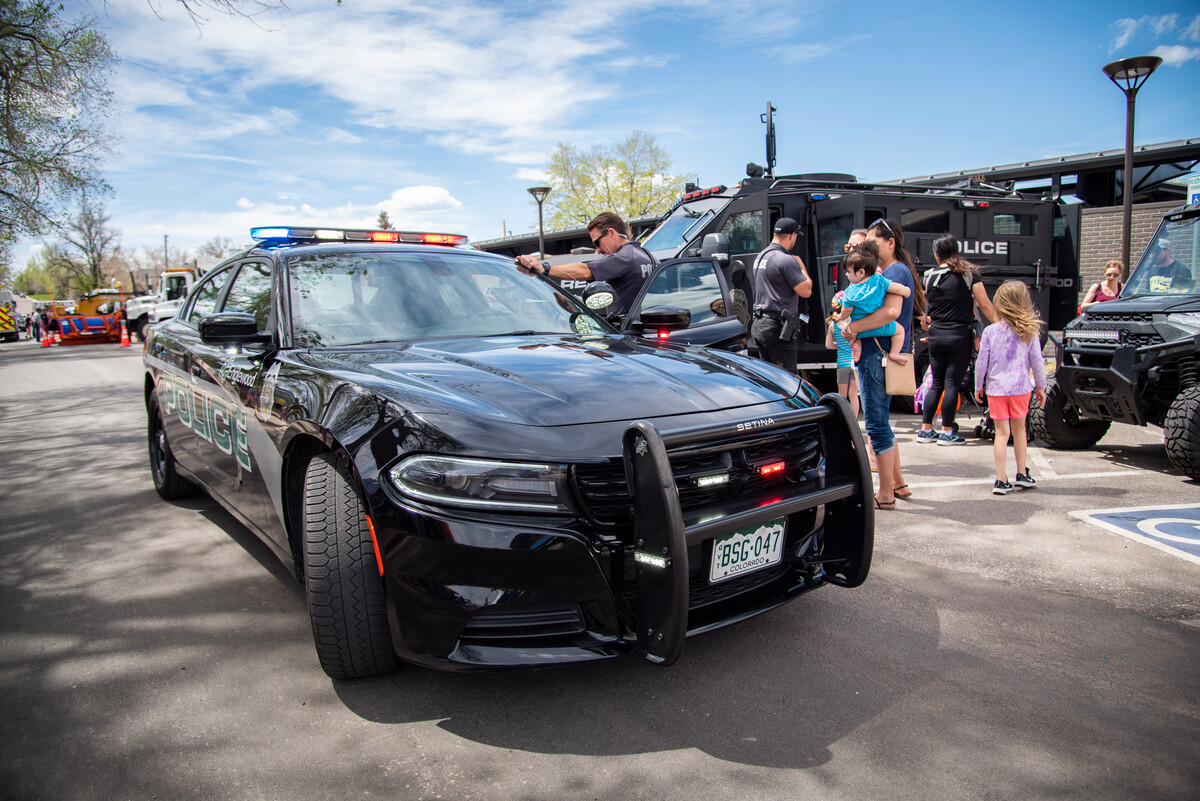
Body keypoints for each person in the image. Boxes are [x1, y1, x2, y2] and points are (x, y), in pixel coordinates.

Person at [839, 219, 924, 507]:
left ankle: (886, 494)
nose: (867, 250)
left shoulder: (894, 271)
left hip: (878, 352)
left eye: (872, 245)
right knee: (881, 422)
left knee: (876, 425)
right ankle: (897, 485)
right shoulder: (891, 270)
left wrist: (854, 328)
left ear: (891, 242)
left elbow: (890, 312)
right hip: (881, 351)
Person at [915, 235, 997, 446]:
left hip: (936, 335)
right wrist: (999, 323)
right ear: (956, 251)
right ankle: (947, 431)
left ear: (936, 254)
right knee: (951, 384)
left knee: (936, 383)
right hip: (959, 335)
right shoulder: (968, 274)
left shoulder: (928, 276)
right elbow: (984, 303)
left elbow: (926, 309)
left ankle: (925, 430)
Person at [974, 280, 1048, 495]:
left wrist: (979, 385)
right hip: (1020, 387)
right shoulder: (1029, 331)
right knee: (1020, 430)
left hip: (996, 388)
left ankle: (1000, 478)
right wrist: (1041, 386)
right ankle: (1022, 473)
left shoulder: (990, 331)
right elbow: (1037, 361)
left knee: (1000, 433)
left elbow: (982, 361)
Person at [515, 212, 655, 316]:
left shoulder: (623, 258)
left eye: (597, 243)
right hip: (648, 333)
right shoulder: (648, 257)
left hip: (628, 336)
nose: (598, 251)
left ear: (611, 233)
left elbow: (584, 270)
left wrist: (543, 268)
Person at [749, 217, 813, 372]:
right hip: (778, 328)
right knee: (786, 378)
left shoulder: (761, 256)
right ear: (792, 235)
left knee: (770, 377)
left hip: (760, 324)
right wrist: (801, 267)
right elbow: (806, 291)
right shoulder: (786, 259)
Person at [835, 247, 910, 365]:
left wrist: (840, 317)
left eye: (849, 271)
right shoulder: (879, 280)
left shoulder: (849, 292)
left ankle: (856, 344)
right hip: (880, 326)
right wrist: (906, 291)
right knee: (900, 331)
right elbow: (895, 288)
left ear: (861, 272)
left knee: (853, 333)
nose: (846, 274)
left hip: (859, 330)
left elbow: (847, 310)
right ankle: (895, 353)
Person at [825, 291, 860, 418]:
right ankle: (854, 422)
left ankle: (843, 421)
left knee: (842, 395)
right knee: (854, 395)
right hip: (854, 363)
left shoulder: (832, 326)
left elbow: (828, 345)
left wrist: (838, 345)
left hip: (842, 365)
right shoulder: (852, 324)